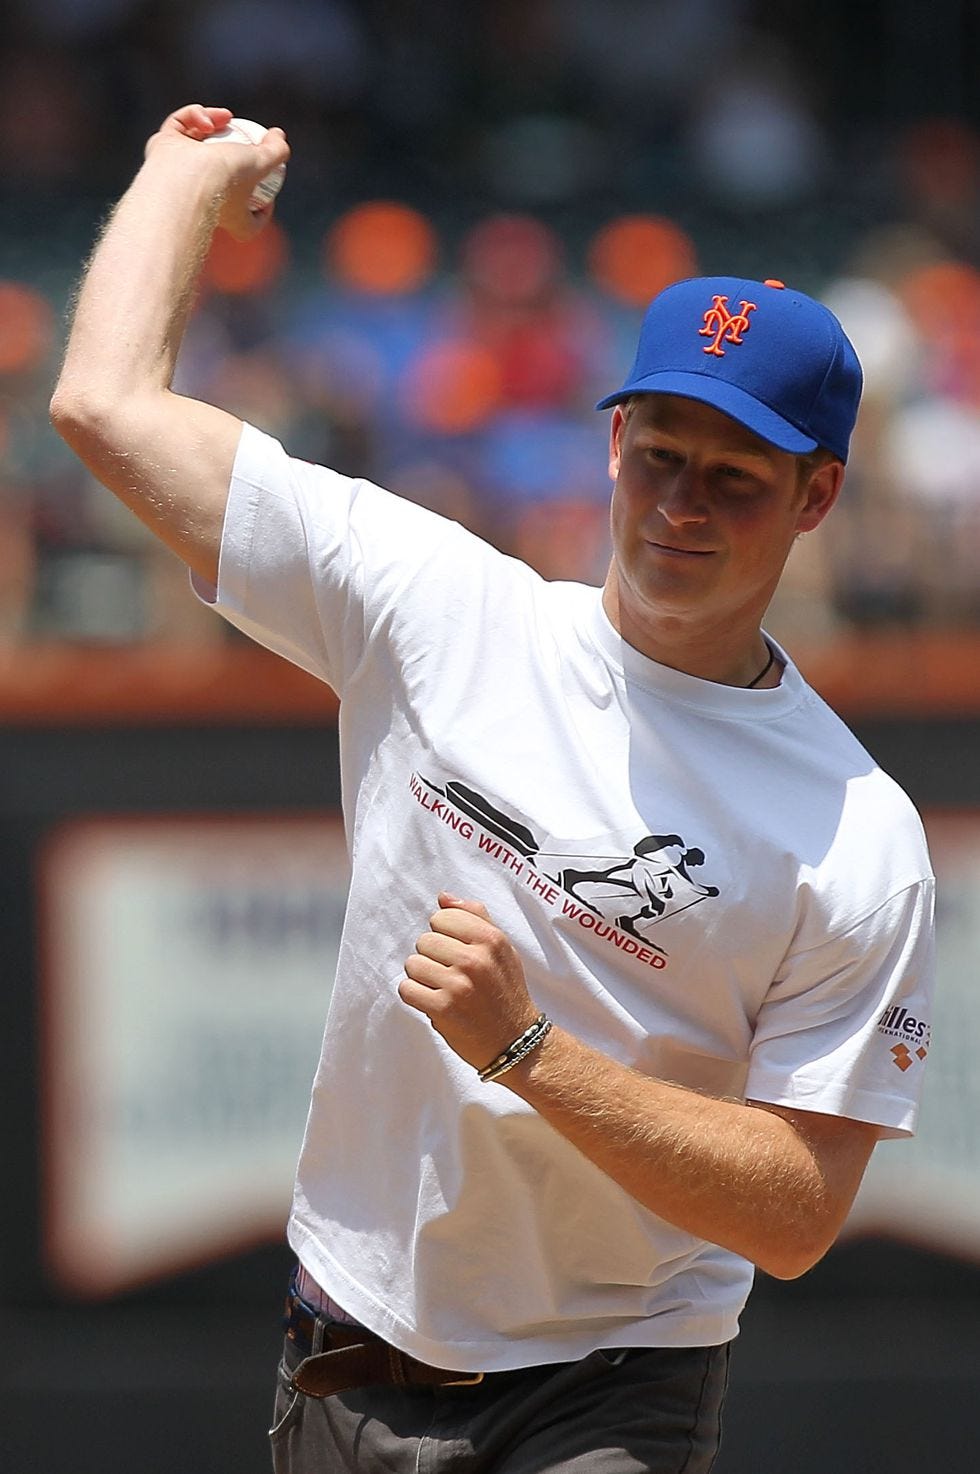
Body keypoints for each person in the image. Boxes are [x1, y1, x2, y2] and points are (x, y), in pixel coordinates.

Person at [51, 105, 935, 1474]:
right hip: (350, 1345)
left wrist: (533, 1054)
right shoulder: (439, 605)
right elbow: (104, 409)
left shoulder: (855, 829)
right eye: (658, 455)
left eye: (735, 479)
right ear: (611, 442)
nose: (679, 506)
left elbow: (798, 1211)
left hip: (610, 1382)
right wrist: (182, 173)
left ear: (816, 499)